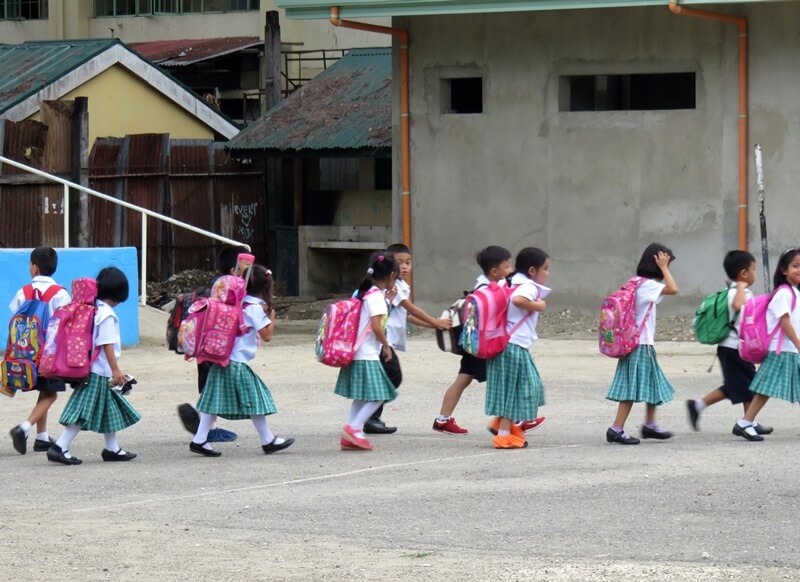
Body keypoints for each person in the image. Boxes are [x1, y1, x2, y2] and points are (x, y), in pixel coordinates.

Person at [190, 266, 293, 457]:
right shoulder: (255, 309)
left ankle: (199, 439)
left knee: (213, 401)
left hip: (223, 357)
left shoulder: (238, 302)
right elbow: (267, 335)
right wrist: (272, 316)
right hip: (237, 362)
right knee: (254, 399)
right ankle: (267, 440)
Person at [48, 267, 140, 465]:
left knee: (109, 408)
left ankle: (112, 448)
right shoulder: (106, 314)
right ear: (118, 293)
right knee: (83, 411)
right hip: (100, 371)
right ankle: (60, 446)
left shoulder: (93, 308)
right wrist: (116, 370)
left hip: (95, 369)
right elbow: (106, 343)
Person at [366, 243, 450, 434]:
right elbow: (411, 308)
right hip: (381, 341)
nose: (404, 267)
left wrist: (434, 325)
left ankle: (369, 416)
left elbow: (406, 315)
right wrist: (436, 322)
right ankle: (369, 416)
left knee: (385, 377)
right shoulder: (393, 286)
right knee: (392, 376)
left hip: (384, 341)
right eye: (400, 262)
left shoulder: (400, 285)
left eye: (408, 262)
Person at [686, 251, 772, 436]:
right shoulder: (736, 292)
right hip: (733, 348)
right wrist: (741, 288)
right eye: (753, 269)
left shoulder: (735, 291)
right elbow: (738, 305)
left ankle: (749, 421)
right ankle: (743, 421)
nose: (754, 273)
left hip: (736, 348)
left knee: (744, 384)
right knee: (746, 385)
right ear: (743, 273)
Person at [433, 245, 513, 435]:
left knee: (463, 378)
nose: (511, 270)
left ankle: (442, 419)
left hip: (473, 342)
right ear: (495, 271)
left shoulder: (483, 286)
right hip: (483, 344)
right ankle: (510, 420)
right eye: (508, 266)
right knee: (503, 379)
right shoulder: (488, 290)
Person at [605, 243, 678, 445]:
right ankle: (616, 428)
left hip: (636, 343)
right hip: (641, 344)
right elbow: (674, 289)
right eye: (666, 265)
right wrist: (664, 267)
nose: (667, 270)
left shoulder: (635, 282)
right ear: (656, 263)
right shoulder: (649, 285)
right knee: (631, 387)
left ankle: (650, 424)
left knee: (653, 383)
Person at [177, 245, 248, 443]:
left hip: (203, 344)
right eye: (244, 268)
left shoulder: (213, 286)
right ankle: (206, 424)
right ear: (234, 271)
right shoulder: (230, 289)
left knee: (209, 384)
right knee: (218, 387)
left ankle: (206, 425)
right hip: (219, 347)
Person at [8, 247, 72, 455]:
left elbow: (15, 314)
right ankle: (24, 428)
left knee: (45, 393)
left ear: (34, 267)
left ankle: (42, 437)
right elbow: (66, 322)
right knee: (51, 394)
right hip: (50, 353)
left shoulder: (23, 291)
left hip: (26, 352)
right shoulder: (60, 293)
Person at [732, 247, 800, 441]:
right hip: (781, 350)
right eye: (795, 266)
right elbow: (784, 321)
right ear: (784, 270)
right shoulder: (784, 293)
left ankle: (745, 421)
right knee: (765, 390)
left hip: (789, 350)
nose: (799, 269)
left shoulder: (794, 292)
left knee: (766, 389)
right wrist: (798, 343)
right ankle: (745, 422)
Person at [485, 247, 550, 449]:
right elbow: (518, 300)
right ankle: (503, 434)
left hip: (507, 343)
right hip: (513, 345)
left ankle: (504, 425)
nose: (547, 273)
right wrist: (539, 306)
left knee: (523, 387)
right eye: (545, 268)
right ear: (532, 270)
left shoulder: (508, 282)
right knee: (516, 390)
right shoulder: (528, 286)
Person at [337, 253, 399, 451]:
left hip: (357, 352)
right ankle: (353, 428)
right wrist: (386, 345)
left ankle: (352, 432)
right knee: (380, 394)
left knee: (361, 396)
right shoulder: (376, 297)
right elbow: (376, 326)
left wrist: (387, 301)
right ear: (391, 275)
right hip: (367, 354)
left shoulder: (366, 293)